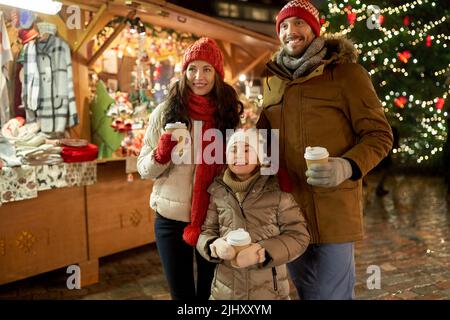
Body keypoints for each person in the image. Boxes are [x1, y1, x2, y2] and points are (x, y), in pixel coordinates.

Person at [257, 0, 393, 299]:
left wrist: (346, 166)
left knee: (333, 294)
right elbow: (263, 140)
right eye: (283, 26)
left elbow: (379, 135)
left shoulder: (346, 74)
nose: (290, 31)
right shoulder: (272, 81)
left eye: (299, 23)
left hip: (333, 209)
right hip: (289, 209)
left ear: (315, 29)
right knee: (306, 292)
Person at [137, 37, 243, 300]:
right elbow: (143, 169)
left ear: (217, 74)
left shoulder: (227, 114)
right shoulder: (165, 112)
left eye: (207, 69)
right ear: (184, 72)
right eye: (192, 68)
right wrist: (161, 155)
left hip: (213, 220)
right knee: (182, 297)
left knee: (210, 295)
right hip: (170, 221)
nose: (199, 76)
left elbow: (234, 169)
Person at [196, 130, 310, 299]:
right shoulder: (217, 191)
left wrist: (262, 252)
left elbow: (299, 236)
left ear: (259, 158)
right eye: (234, 150)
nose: (239, 155)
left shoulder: (277, 192)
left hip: (269, 294)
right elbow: (207, 231)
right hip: (225, 292)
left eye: (248, 150)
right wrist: (213, 245)